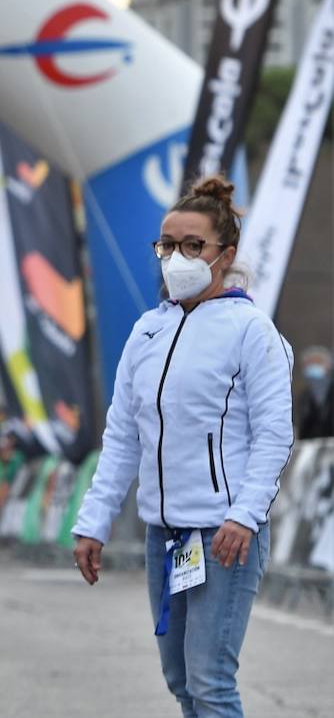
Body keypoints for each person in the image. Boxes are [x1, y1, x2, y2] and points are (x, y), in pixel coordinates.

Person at [72, 175, 293, 718]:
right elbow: (123, 433)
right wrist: (94, 520)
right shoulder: (147, 330)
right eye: (167, 244)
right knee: (181, 682)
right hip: (165, 539)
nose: (176, 256)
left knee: (211, 682)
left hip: (225, 536)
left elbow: (273, 434)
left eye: (193, 245)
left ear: (226, 254)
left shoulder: (251, 330)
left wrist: (245, 515)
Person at [295, 346, 333, 440]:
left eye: (317, 362)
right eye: (309, 363)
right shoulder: (304, 397)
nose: (313, 367)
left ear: (328, 365)